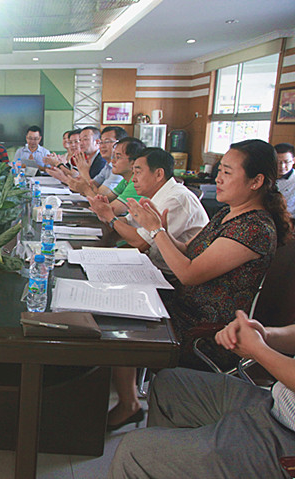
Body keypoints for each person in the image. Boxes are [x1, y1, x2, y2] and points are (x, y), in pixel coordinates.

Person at [107, 139, 291, 431]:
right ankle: (128, 402)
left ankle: (130, 405)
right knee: (119, 304)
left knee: (125, 321)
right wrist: (160, 230)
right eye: (219, 170)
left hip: (206, 328)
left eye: (227, 172)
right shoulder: (228, 213)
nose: (218, 178)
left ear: (256, 181)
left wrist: (156, 232)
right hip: (184, 304)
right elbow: (190, 252)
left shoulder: (254, 228)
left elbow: (189, 273)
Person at [109, 310, 295, 479]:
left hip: (287, 436)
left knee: (133, 454)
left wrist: (258, 349)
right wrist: (266, 335)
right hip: (277, 403)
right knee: (170, 385)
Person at [89, 148, 208, 274]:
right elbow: (128, 222)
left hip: (171, 276)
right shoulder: (155, 194)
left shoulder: (176, 199)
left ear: (159, 174)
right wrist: (105, 214)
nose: (133, 179)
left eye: (138, 173)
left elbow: (141, 242)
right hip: (152, 265)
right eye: (133, 173)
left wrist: (111, 218)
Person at [73, 137, 145, 216]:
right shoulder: (125, 181)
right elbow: (105, 199)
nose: (112, 161)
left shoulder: (136, 184)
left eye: (118, 157)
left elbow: (108, 212)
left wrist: (86, 189)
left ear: (133, 162)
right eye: (113, 156)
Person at [276, 142, 295, 216]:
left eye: (286, 162)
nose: (282, 166)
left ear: (293, 160)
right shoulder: (265, 176)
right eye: (278, 162)